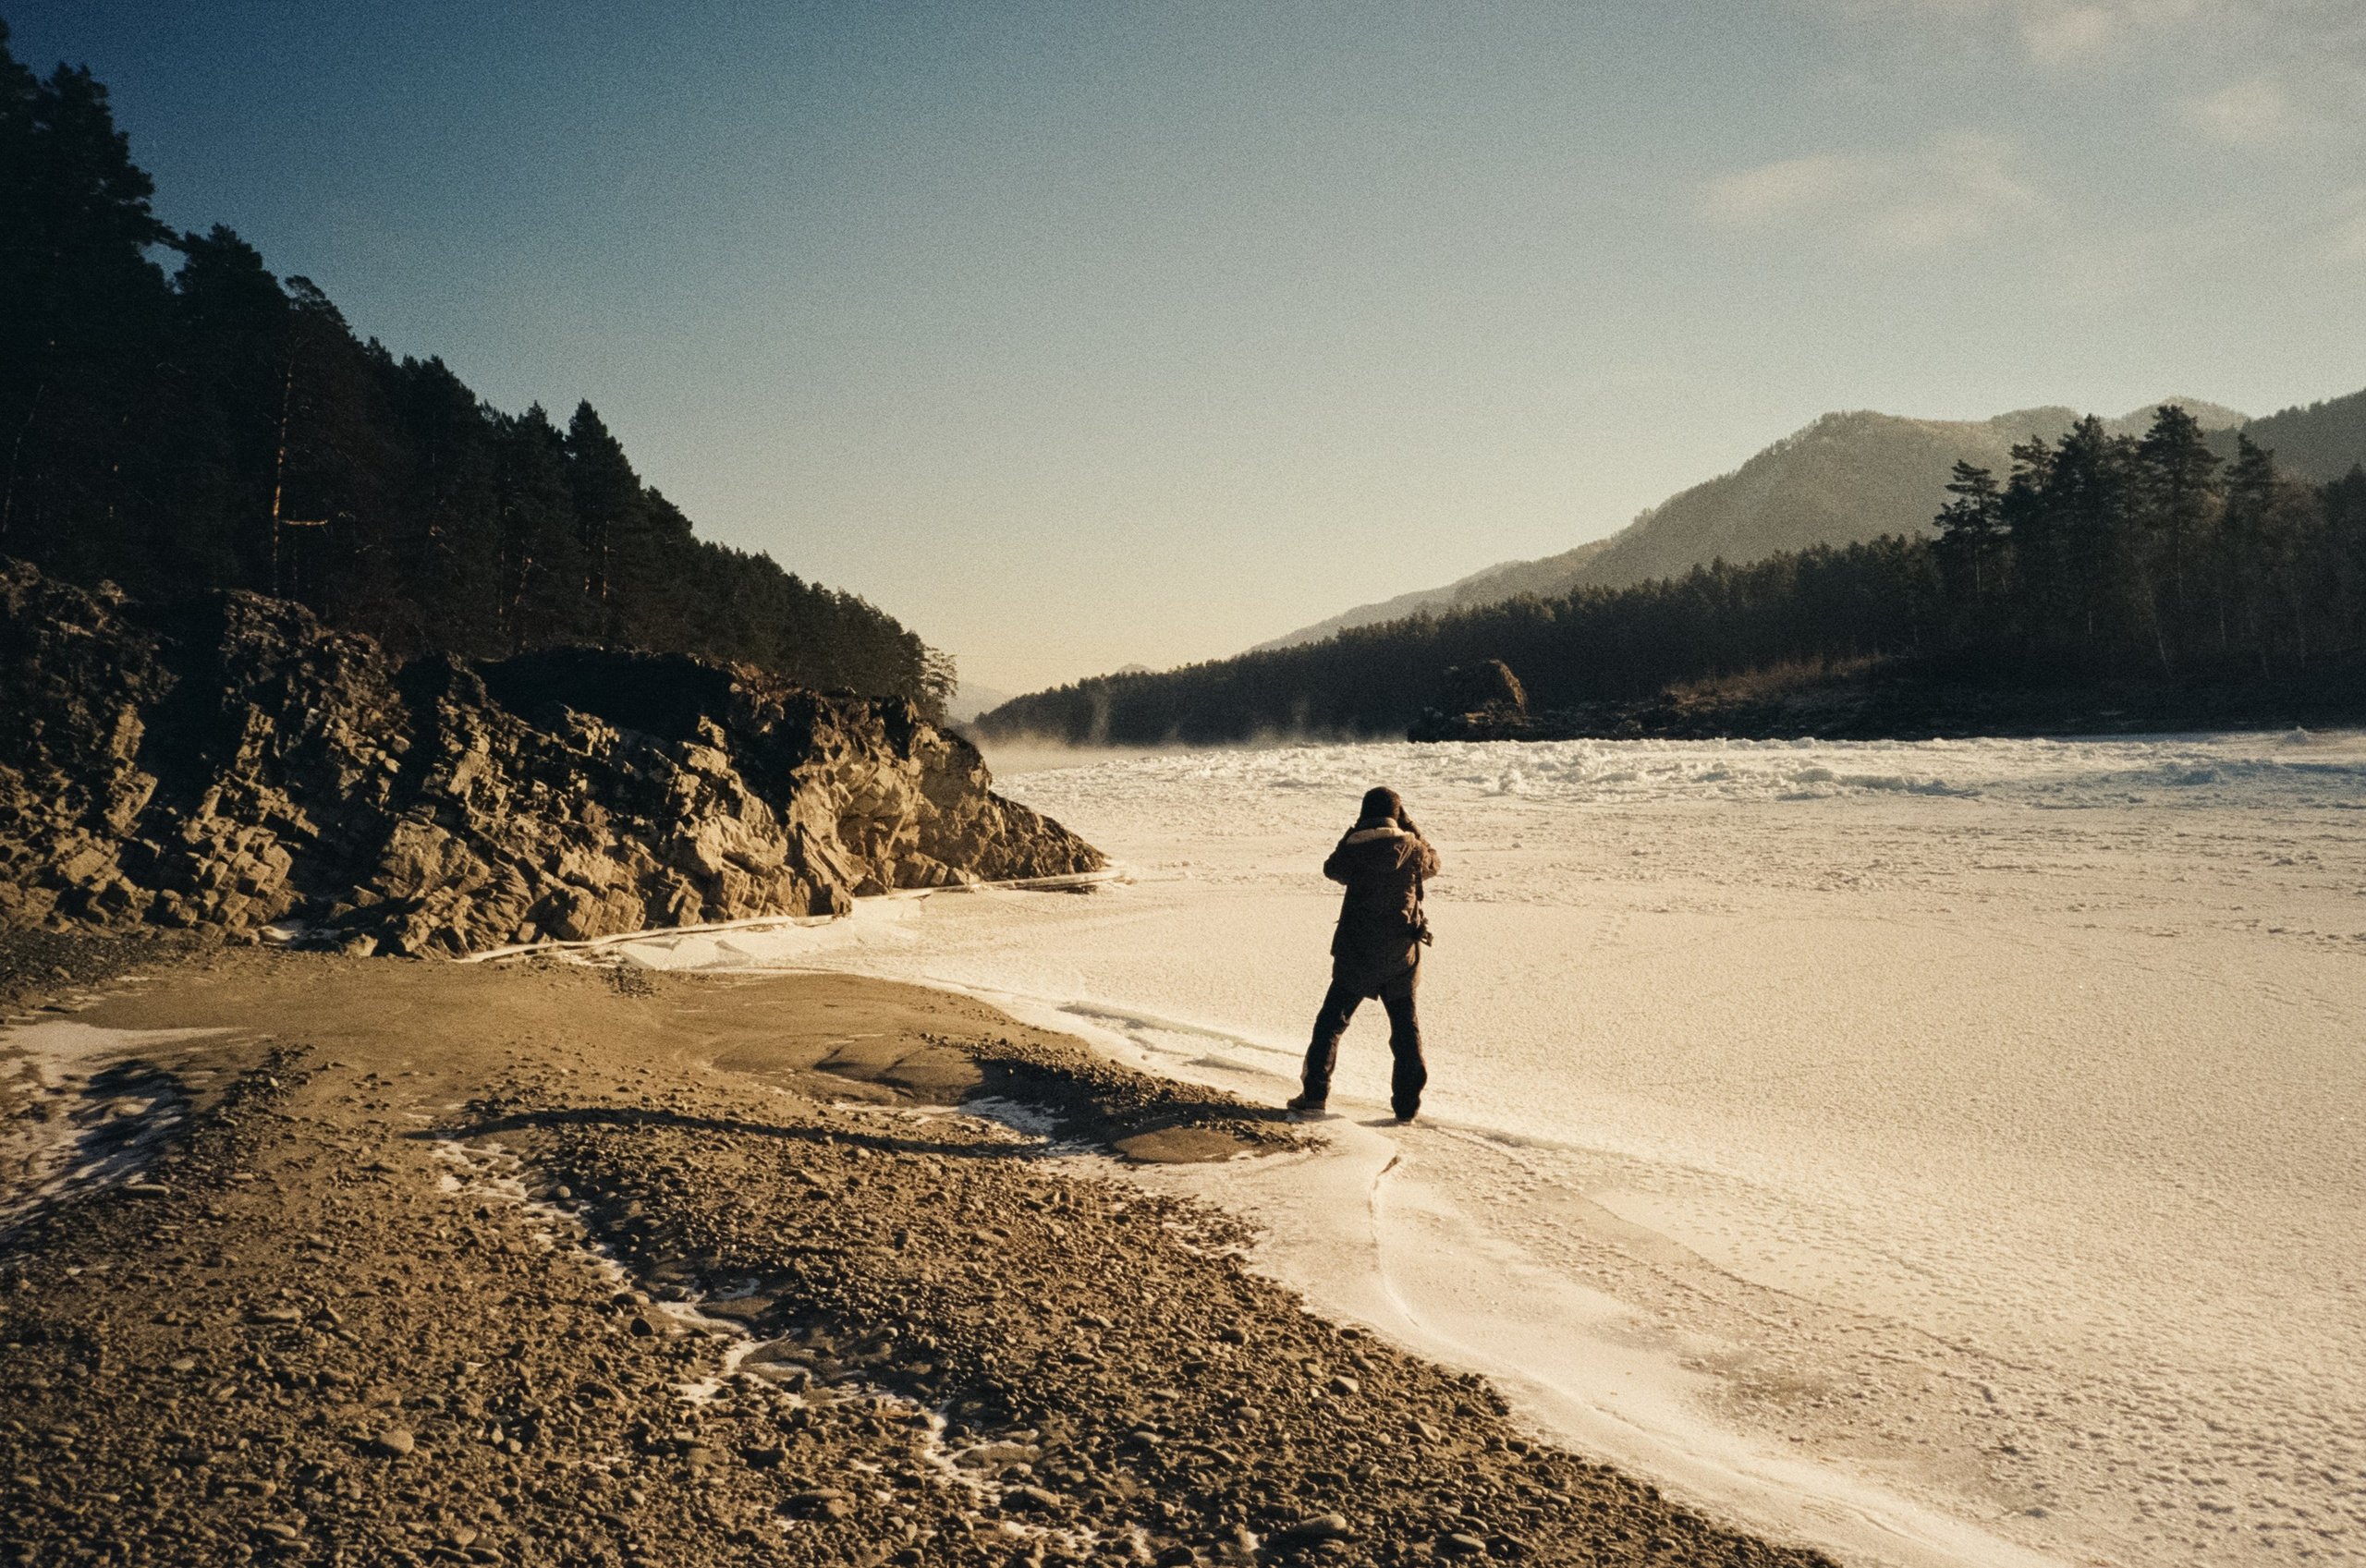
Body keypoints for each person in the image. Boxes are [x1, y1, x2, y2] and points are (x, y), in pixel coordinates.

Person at [1290, 785, 1439, 1123]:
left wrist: (1352, 831)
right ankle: (1406, 1107)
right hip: (1401, 954)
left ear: (1364, 815)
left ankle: (1314, 1096)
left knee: (1331, 1024)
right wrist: (1412, 827)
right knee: (1405, 1029)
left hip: (1357, 953)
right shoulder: (1414, 849)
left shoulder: (1354, 850)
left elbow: (1332, 868)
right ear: (1397, 815)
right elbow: (1435, 864)